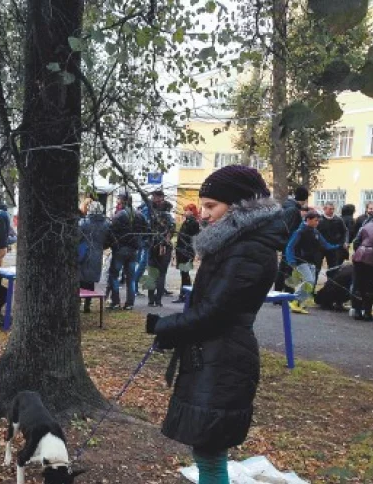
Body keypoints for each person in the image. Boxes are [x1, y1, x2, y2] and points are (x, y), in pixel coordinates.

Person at [146, 165, 287, 484]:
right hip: (213, 355)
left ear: (238, 206)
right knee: (206, 451)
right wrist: (173, 332)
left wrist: (165, 326)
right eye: (203, 205)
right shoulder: (233, 243)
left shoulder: (249, 249)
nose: (204, 214)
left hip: (224, 360)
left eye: (212, 205)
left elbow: (216, 312)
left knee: (209, 454)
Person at [285, 211, 340, 314]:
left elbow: (325, 244)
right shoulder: (299, 232)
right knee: (309, 281)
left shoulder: (315, 232)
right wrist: (291, 260)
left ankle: (298, 303)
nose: (317, 223)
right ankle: (295, 300)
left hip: (312, 261)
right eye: (315, 220)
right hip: (301, 261)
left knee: (311, 283)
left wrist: (338, 246)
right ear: (308, 220)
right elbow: (290, 246)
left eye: (318, 221)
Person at [108, 193, 148, 310]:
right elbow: (146, 231)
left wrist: (114, 245)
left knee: (114, 275)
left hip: (120, 249)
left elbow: (111, 232)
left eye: (118, 200)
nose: (117, 202)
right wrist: (139, 242)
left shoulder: (119, 215)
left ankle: (115, 302)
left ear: (123, 201)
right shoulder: (140, 215)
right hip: (133, 250)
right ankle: (130, 303)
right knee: (130, 278)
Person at [275, 186, 310, 292]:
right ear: (305, 198)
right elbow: (291, 229)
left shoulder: (286, 206)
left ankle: (278, 292)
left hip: (285, 242)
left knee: (283, 268)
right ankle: (288, 293)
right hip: (290, 244)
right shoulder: (294, 210)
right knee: (289, 269)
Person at [78, 202, 110, 312]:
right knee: (91, 280)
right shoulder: (106, 224)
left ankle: (78, 302)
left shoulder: (83, 223)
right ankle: (87, 304)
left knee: (80, 278)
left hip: (83, 252)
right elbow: (108, 239)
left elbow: (77, 236)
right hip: (97, 253)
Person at [146, 200, 176, 307]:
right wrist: (166, 241)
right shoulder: (171, 220)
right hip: (165, 248)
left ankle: (150, 300)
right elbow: (171, 233)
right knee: (162, 274)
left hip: (153, 247)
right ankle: (158, 301)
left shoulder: (154, 218)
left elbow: (148, 232)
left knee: (152, 274)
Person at [351, 212, 373, 321]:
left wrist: (358, 251)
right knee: (370, 286)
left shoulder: (365, 225)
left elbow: (356, 242)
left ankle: (357, 311)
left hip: (359, 255)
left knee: (358, 284)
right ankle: (367, 313)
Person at [172, 204, 201, 304]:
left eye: (187, 210)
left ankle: (184, 295)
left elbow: (192, 238)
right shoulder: (187, 222)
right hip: (182, 251)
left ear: (192, 211)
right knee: (184, 274)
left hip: (186, 252)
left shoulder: (193, 223)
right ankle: (185, 294)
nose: (185, 212)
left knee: (185, 274)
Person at [317, 202, 348, 280]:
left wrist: (344, 241)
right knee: (317, 267)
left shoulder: (338, 220)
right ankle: (313, 284)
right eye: (330, 209)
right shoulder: (319, 220)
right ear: (324, 209)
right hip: (320, 248)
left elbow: (345, 231)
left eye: (333, 209)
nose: (332, 211)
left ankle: (331, 284)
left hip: (333, 247)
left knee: (333, 269)